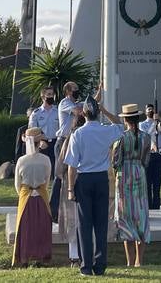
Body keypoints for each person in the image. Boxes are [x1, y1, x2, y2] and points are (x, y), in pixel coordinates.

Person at [64, 93, 124, 277]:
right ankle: (100, 265)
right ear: (98, 113)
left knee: (84, 224)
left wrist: (70, 189)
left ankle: (86, 265)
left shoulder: (78, 134)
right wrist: (104, 109)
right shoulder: (106, 130)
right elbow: (120, 125)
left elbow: (72, 167)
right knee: (100, 223)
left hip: (84, 179)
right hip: (101, 179)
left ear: (83, 113)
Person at [114, 103, 151, 267]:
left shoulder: (121, 137)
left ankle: (129, 262)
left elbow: (116, 161)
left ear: (126, 120)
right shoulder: (146, 137)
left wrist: (118, 175)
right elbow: (146, 160)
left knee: (126, 216)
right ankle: (139, 261)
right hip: (139, 173)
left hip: (124, 175)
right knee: (141, 215)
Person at [12, 126, 53, 267]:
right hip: (42, 195)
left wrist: (25, 192)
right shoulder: (46, 160)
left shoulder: (21, 161)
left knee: (25, 228)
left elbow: (17, 184)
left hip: (25, 196)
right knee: (42, 226)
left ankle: (24, 258)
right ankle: (41, 257)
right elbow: (47, 180)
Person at [55, 112, 85, 267]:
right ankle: (86, 254)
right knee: (85, 218)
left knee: (72, 219)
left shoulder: (70, 138)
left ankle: (74, 256)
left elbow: (60, 166)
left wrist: (64, 178)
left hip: (70, 181)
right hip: (88, 178)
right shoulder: (89, 137)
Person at [51, 81, 82, 223]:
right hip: (63, 142)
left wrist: (99, 92)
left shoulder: (76, 103)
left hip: (73, 142)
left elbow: (92, 104)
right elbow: (78, 111)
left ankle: (67, 210)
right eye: (75, 89)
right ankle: (53, 211)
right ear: (68, 91)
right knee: (59, 176)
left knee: (73, 175)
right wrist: (88, 106)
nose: (77, 90)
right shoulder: (65, 103)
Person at [139, 103, 161, 210]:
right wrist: (153, 124)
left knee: (157, 183)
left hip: (158, 155)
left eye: (152, 109)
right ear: (145, 111)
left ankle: (156, 205)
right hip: (147, 155)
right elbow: (146, 135)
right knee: (147, 183)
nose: (150, 110)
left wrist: (160, 119)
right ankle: (148, 205)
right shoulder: (142, 124)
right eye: (148, 109)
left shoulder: (159, 122)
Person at [30, 86, 58, 177]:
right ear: (43, 97)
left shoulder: (58, 111)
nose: (51, 97)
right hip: (42, 144)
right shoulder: (36, 113)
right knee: (43, 173)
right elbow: (32, 131)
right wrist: (40, 141)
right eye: (49, 94)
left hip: (55, 143)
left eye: (52, 94)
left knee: (55, 171)